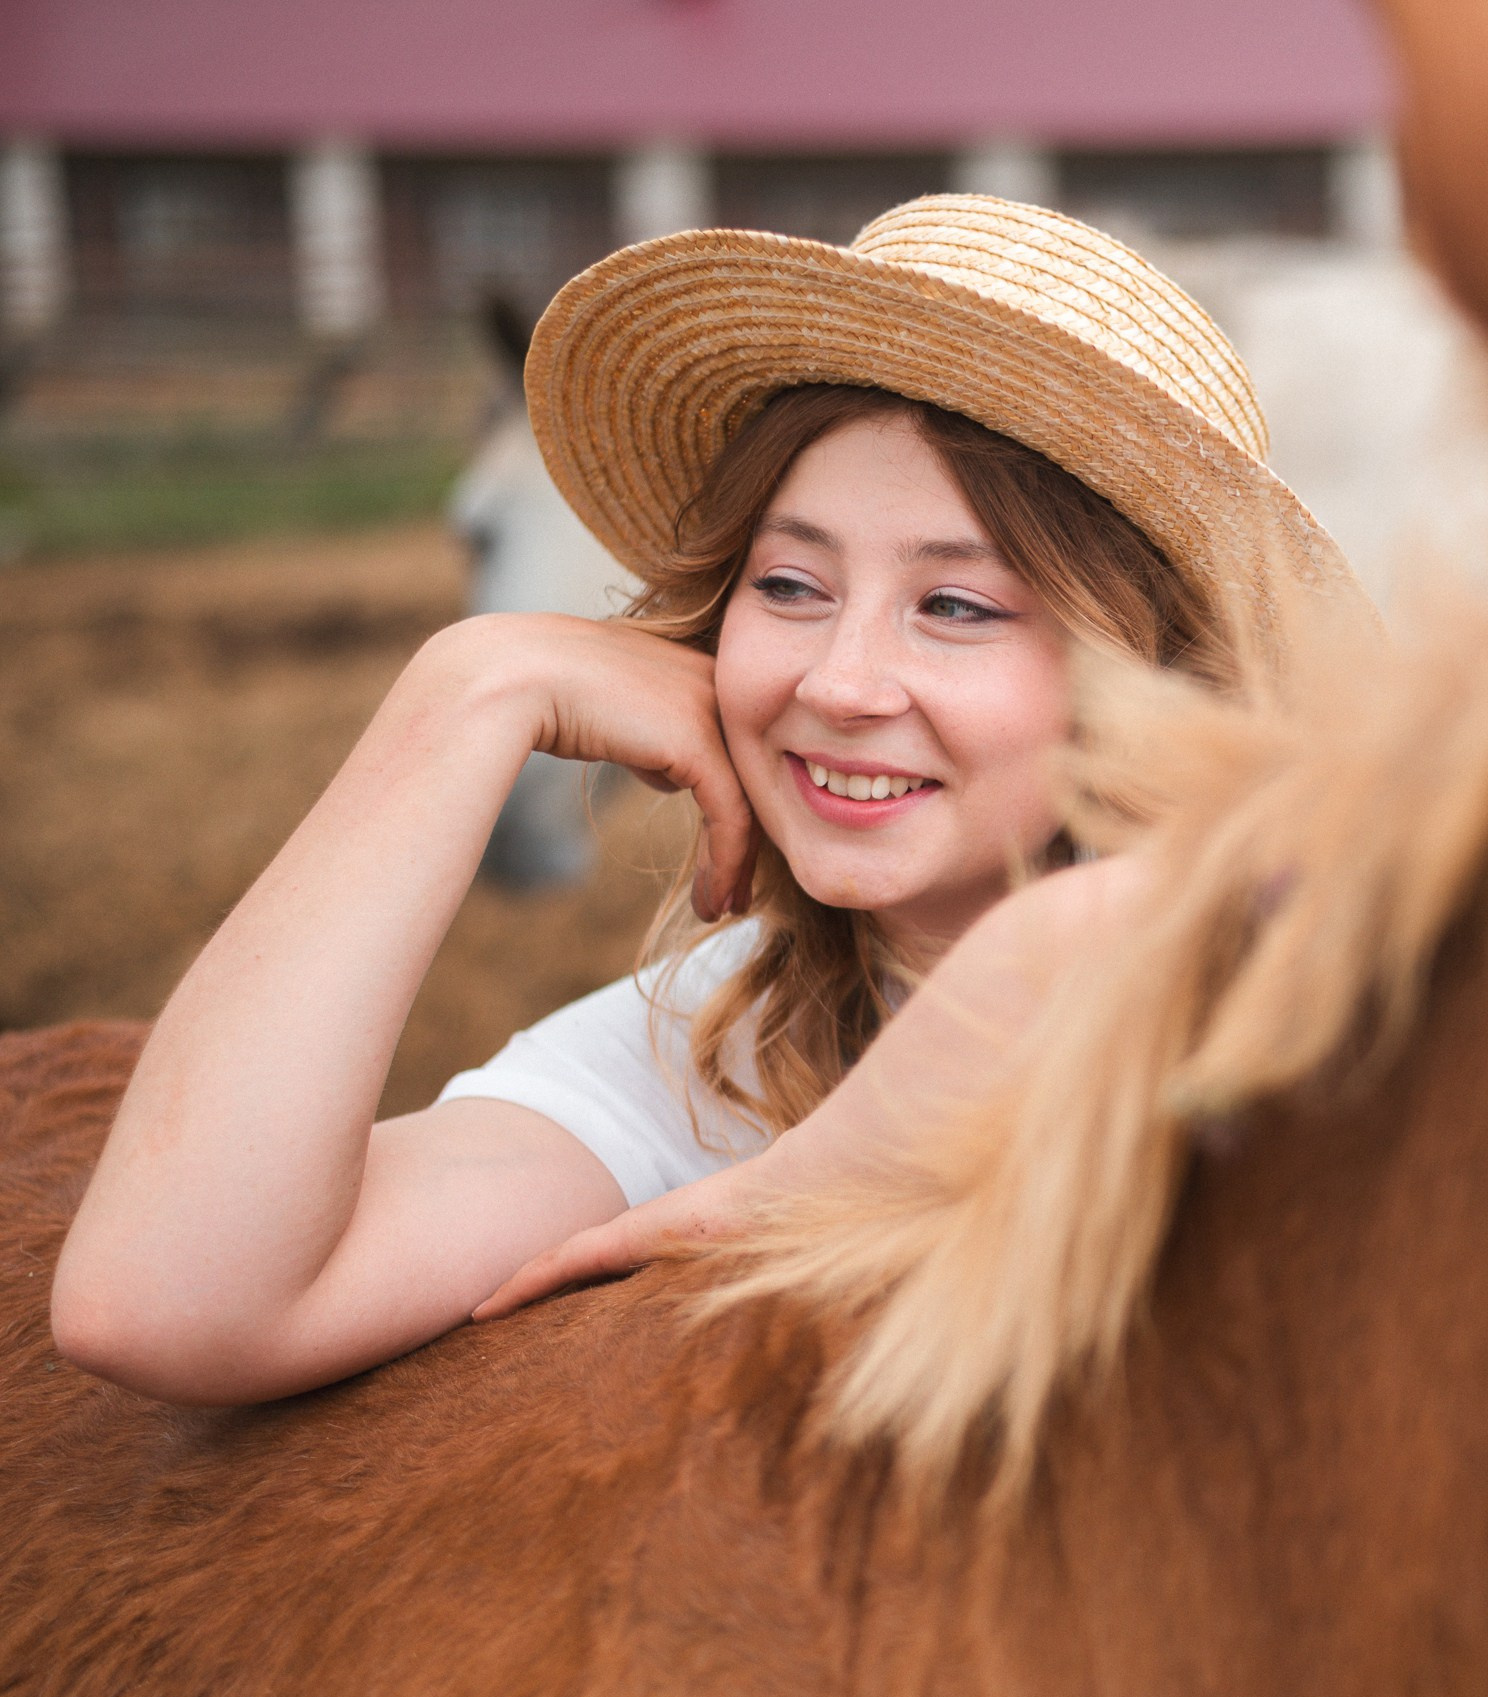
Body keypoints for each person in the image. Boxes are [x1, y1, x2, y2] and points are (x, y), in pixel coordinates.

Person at [51, 196, 1356, 1406]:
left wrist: (1026, 970)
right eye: (789, 586)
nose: (841, 683)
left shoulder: (1311, 966)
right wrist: (470, 687)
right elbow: (164, 1300)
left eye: (955, 605)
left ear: (1146, 681)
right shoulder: (701, 1055)